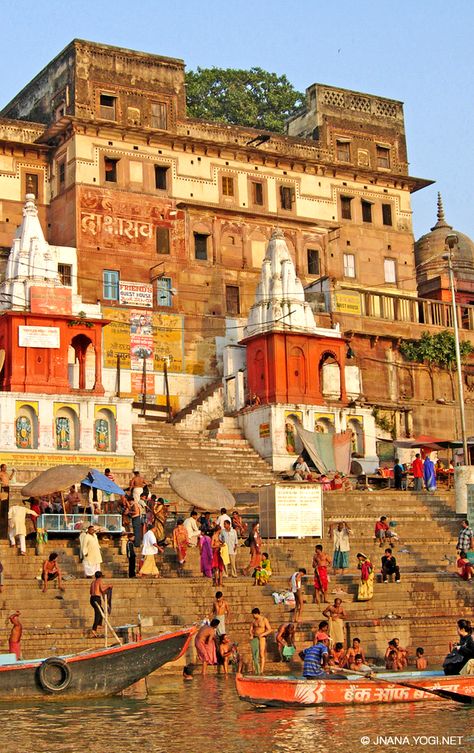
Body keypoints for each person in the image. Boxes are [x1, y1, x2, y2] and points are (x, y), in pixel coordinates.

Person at [249, 608, 272, 675]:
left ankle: (261, 670)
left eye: (253, 614)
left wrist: (262, 634)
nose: (253, 616)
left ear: (257, 613)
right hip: (255, 638)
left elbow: (270, 629)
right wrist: (251, 635)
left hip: (262, 638)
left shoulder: (264, 620)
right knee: (254, 654)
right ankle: (255, 669)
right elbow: (250, 629)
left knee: (261, 654)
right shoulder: (253, 621)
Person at [90, 571, 112, 637]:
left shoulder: (92, 582)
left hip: (92, 599)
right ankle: (94, 629)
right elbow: (102, 589)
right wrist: (108, 586)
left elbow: (90, 591)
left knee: (101, 611)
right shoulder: (99, 581)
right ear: (100, 576)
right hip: (96, 598)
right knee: (98, 614)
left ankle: (99, 625)